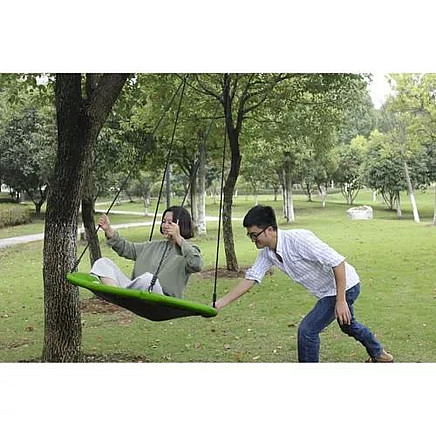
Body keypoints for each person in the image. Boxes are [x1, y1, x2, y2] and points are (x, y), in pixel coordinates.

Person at [214, 205, 394, 363]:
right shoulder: (267, 253)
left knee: (307, 331)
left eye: (254, 235)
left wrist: (341, 301)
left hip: (345, 286)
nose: (253, 240)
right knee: (348, 324)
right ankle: (380, 355)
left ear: (269, 230)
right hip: (328, 291)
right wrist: (220, 303)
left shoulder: (299, 239)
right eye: (250, 236)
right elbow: (251, 278)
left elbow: (337, 262)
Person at [90, 205, 203, 299]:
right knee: (102, 263)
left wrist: (178, 238)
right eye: (164, 222)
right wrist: (108, 230)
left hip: (162, 298)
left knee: (148, 278)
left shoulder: (189, 250)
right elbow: (127, 248)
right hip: (136, 291)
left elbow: (196, 264)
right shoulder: (153, 246)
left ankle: (121, 295)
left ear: (180, 225)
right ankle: (117, 294)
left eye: (170, 223)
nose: (165, 225)